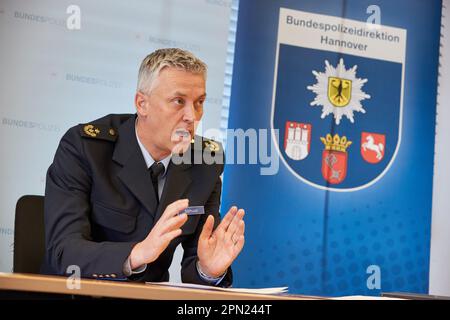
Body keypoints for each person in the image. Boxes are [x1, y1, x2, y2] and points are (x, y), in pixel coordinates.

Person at [41, 48, 245, 287]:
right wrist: (137, 253)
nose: (192, 116)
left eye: (199, 102)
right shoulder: (86, 148)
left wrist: (208, 269)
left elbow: (194, 264)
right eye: (178, 101)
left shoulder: (204, 162)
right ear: (142, 104)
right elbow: (64, 252)